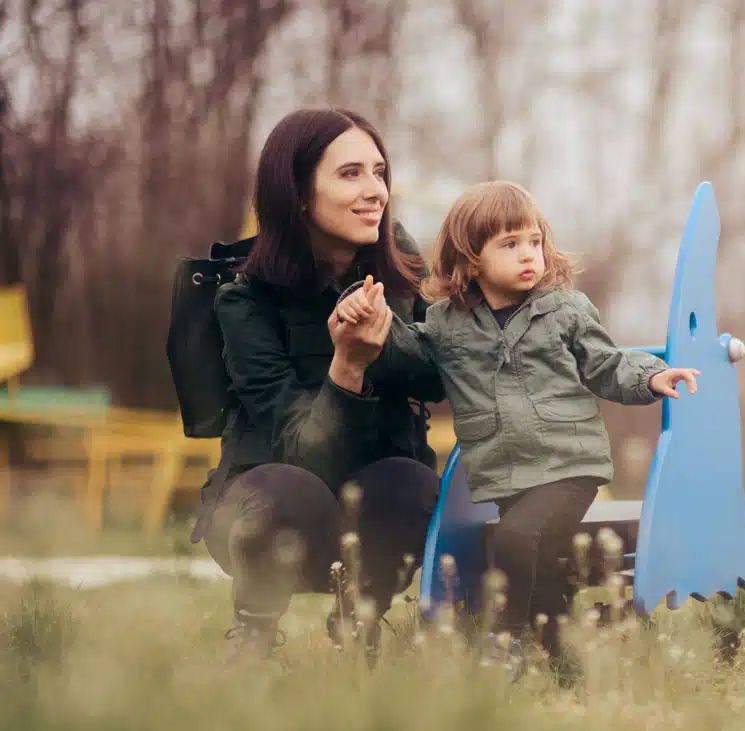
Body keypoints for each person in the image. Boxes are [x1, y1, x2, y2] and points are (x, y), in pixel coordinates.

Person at [334, 180, 699, 682]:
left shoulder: (566, 310)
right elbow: (404, 357)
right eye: (510, 244)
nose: (529, 255)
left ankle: (504, 645)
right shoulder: (446, 324)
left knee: (514, 540)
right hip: (504, 473)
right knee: (544, 568)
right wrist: (366, 314)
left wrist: (651, 377)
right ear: (471, 258)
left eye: (534, 241)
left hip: (569, 465)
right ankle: (568, 660)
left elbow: (606, 364)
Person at [197, 107, 445, 663]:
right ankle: (252, 634)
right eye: (350, 174)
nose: (375, 191)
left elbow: (440, 376)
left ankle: (361, 626)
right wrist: (347, 366)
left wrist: (392, 341)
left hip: (371, 507)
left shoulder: (400, 272)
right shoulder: (244, 300)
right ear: (300, 194)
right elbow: (300, 450)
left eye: (379, 172)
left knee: (411, 482)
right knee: (291, 489)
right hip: (265, 509)